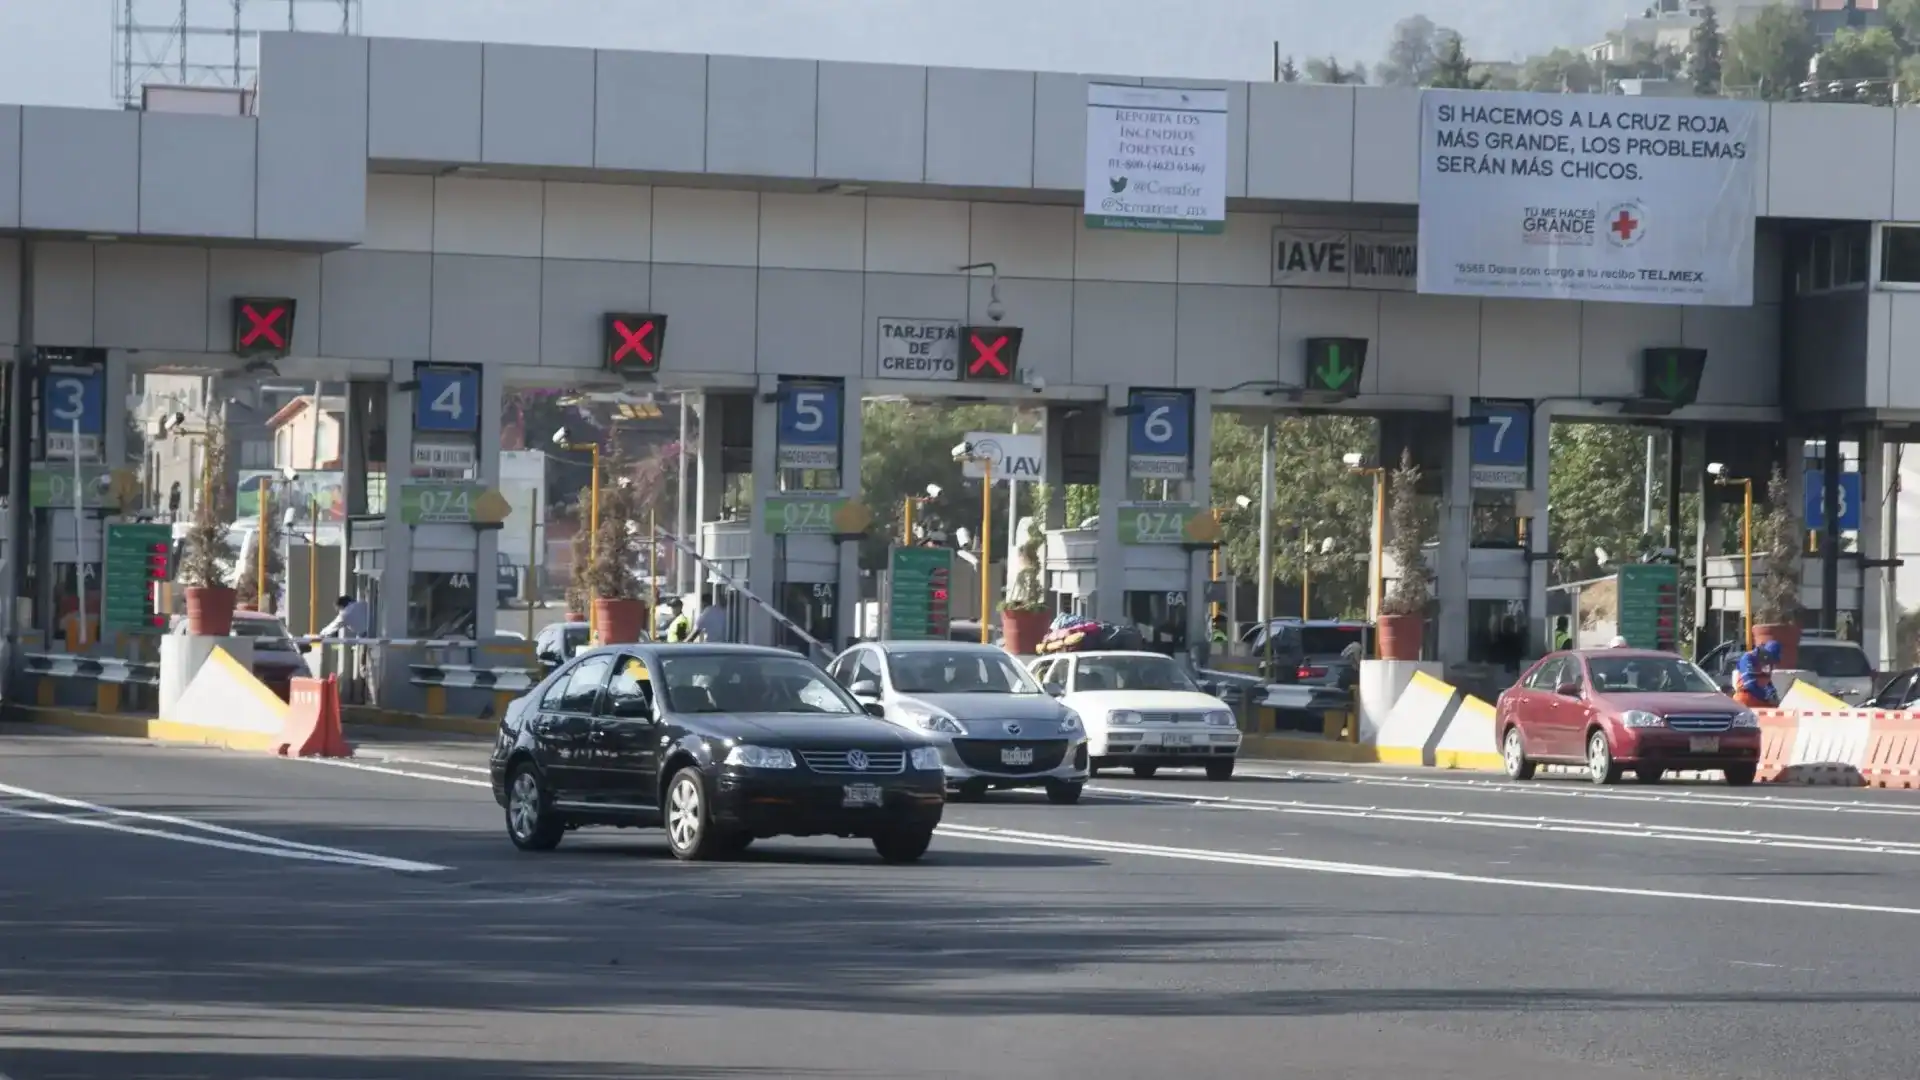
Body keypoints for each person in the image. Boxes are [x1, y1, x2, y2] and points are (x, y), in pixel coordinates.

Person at [1733, 639, 1783, 708]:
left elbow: (1767, 682)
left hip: (1758, 699)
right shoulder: (1748, 658)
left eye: (1773, 661)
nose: (1771, 663)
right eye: (1771, 659)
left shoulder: (1766, 662)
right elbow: (1750, 684)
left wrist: (1772, 693)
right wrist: (1766, 696)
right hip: (1744, 698)